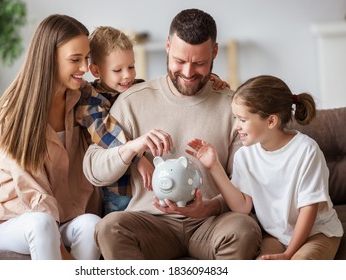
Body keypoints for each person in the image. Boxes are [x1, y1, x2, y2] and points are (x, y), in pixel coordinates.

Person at [83, 8, 262, 260]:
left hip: (211, 223)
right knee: (109, 228)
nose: (188, 73)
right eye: (179, 61)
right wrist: (132, 148)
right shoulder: (132, 100)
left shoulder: (233, 107)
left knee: (244, 229)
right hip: (150, 223)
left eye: (199, 63)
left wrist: (208, 207)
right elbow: (93, 169)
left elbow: (247, 185)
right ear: (168, 46)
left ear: (214, 53)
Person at [0, 14, 102, 260]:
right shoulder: (14, 112)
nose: (84, 68)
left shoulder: (82, 98)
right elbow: (31, 190)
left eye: (86, 58)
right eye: (75, 60)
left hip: (68, 218)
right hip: (19, 220)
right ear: (50, 58)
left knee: (91, 224)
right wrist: (66, 260)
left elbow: (120, 96)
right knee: (41, 224)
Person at [186, 75, 344, 260]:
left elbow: (308, 210)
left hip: (317, 232)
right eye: (235, 118)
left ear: (271, 121)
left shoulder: (306, 150)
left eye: (242, 120)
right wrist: (214, 166)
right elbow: (242, 206)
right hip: (277, 235)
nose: (236, 126)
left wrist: (288, 254)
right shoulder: (245, 156)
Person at [77, 25, 229, 216]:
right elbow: (107, 135)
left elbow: (170, 84)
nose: (128, 76)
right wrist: (138, 159)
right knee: (119, 221)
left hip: (142, 188)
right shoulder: (91, 102)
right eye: (118, 70)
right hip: (118, 188)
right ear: (96, 71)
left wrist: (210, 79)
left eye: (131, 67)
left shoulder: (136, 89)